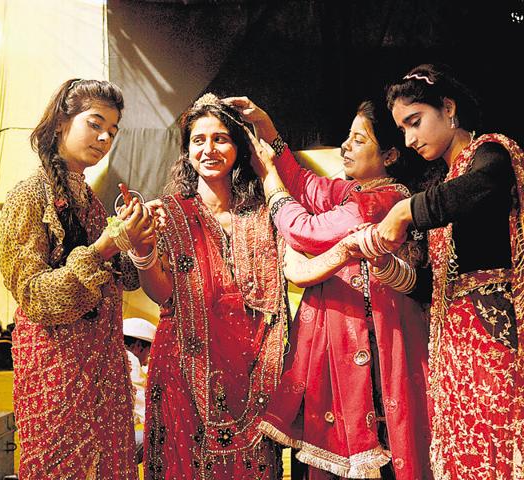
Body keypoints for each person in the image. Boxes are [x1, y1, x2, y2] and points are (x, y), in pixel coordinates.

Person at [225, 96, 433, 479]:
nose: (345, 147)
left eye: (358, 140)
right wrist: (267, 128)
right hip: (348, 338)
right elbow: (306, 185)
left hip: (373, 344)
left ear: (389, 155)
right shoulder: (357, 193)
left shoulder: (383, 200)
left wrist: (270, 180)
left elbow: (304, 230)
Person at [0, 79, 156, 480]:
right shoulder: (28, 196)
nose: (104, 138)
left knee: (109, 466)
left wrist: (135, 237)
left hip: (101, 366)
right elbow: (34, 297)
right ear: (60, 124)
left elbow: (124, 282)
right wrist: (105, 245)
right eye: (95, 124)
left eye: (113, 132)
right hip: (56, 371)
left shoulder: (90, 198)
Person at [373, 63, 524, 479]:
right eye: (401, 129)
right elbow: (432, 287)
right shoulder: (445, 184)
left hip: (494, 339)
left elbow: (484, 187)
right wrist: (387, 267)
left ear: (449, 109)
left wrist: (407, 210)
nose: (408, 139)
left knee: (497, 441)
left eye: (415, 122)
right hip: (452, 347)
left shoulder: (491, 154)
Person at [134, 93, 289, 479]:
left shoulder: (263, 212)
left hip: (254, 368)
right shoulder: (168, 212)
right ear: (186, 152)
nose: (209, 149)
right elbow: (163, 294)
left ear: (239, 147)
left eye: (220, 139)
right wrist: (143, 253)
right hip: (184, 363)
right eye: (198, 140)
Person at [123, 317, 157, 459]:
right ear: (138, 345)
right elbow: (142, 406)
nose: (146, 360)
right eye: (149, 353)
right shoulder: (131, 359)